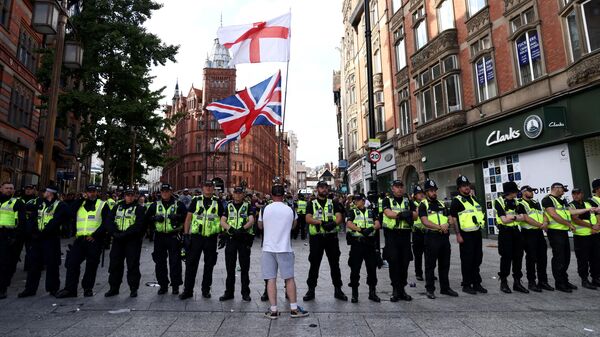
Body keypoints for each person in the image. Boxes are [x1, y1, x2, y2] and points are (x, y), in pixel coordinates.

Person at [260, 183, 308, 319]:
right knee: (289, 278)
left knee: (270, 279)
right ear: (283, 195)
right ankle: (294, 309)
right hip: (285, 248)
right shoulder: (290, 209)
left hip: (268, 248)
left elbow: (260, 225)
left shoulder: (264, 209)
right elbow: (294, 225)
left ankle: (273, 310)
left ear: (272, 194)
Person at [56, 185, 111, 298]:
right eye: (89, 192)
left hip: (94, 240)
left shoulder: (102, 205)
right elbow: (70, 212)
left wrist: (95, 235)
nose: (92, 194)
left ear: (97, 192)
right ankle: (70, 289)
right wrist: (81, 199)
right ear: (85, 192)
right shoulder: (80, 204)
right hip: (80, 239)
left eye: (94, 191)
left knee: (91, 265)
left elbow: (107, 223)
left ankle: (87, 288)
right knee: (72, 263)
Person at [542, 182, 594, 292]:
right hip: (555, 232)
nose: (563, 192)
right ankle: (559, 283)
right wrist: (569, 224)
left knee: (566, 258)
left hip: (563, 232)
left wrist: (588, 209)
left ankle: (565, 280)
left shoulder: (561, 200)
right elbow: (553, 215)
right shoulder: (547, 199)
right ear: (556, 188)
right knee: (559, 258)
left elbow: (571, 211)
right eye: (562, 190)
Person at [18, 185, 66, 298]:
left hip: (51, 239)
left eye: (45, 191)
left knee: (52, 264)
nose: (43, 193)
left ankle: (53, 288)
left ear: (51, 193)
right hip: (37, 239)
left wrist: (43, 233)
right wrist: (32, 232)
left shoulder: (60, 205)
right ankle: (30, 289)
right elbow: (33, 218)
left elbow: (56, 221)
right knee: (33, 264)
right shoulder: (40, 203)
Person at [303, 181, 347, 302]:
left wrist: (333, 224)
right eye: (321, 187)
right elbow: (308, 218)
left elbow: (339, 217)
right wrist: (321, 223)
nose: (324, 190)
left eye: (326, 187)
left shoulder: (334, 202)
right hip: (317, 238)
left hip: (331, 237)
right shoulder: (311, 203)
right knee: (314, 264)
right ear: (317, 189)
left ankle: (338, 289)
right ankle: (311, 290)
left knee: (335, 264)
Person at [180, 181, 224, 300]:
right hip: (196, 238)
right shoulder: (196, 200)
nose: (208, 188)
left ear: (213, 188)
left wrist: (223, 235)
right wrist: (186, 235)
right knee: (191, 264)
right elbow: (188, 218)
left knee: (209, 265)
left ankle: (206, 290)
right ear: (203, 188)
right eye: (206, 186)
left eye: (210, 186)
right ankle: (188, 290)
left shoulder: (217, 202)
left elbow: (222, 220)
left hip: (211, 238)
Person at [418, 179, 458, 299]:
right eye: (431, 191)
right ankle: (430, 289)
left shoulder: (442, 204)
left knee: (445, 264)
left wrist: (448, 224)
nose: (434, 192)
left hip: (444, 237)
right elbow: (425, 221)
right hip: (432, 237)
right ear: (426, 193)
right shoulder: (423, 205)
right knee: (430, 265)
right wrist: (439, 227)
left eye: (435, 190)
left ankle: (445, 288)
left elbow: (450, 218)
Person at [145, 183, 187, 295]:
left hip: (174, 236)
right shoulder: (155, 204)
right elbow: (146, 218)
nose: (165, 193)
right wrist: (154, 218)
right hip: (159, 236)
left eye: (167, 191)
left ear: (171, 192)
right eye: (163, 191)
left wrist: (177, 217)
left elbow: (186, 217)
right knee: (159, 262)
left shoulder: (179, 204)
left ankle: (175, 285)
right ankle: (163, 285)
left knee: (175, 262)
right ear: (160, 192)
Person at [104, 188, 146, 298]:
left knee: (132, 264)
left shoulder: (139, 208)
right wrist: (114, 232)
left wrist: (125, 234)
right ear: (124, 196)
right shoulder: (117, 206)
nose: (130, 197)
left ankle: (133, 288)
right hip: (118, 239)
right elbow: (109, 220)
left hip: (132, 240)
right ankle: (114, 288)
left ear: (135, 196)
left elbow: (139, 224)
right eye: (128, 195)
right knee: (115, 264)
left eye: (132, 195)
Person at [449, 175, 487, 295]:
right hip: (465, 235)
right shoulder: (456, 201)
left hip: (476, 233)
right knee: (467, 260)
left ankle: (476, 283)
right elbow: (454, 219)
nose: (467, 188)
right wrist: (458, 235)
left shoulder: (474, 199)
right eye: (464, 186)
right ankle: (466, 284)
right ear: (459, 188)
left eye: (468, 185)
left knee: (477, 258)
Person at [381, 180, 415, 302]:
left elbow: (415, 214)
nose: (399, 189)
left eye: (401, 186)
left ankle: (402, 289)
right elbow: (388, 213)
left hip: (405, 236)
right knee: (394, 262)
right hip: (392, 236)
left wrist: (409, 213)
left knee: (404, 262)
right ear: (392, 188)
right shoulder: (387, 200)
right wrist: (402, 215)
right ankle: (395, 289)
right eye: (397, 187)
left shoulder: (408, 201)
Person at [219, 186, 255, 302]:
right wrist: (231, 229)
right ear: (233, 194)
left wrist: (242, 229)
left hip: (243, 239)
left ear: (243, 195)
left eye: (240, 193)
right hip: (231, 239)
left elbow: (251, 220)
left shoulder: (248, 206)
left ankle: (245, 293)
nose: (238, 195)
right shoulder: (228, 206)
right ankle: (229, 293)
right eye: (236, 193)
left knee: (244, 268)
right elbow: (222, 221)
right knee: (230, 268)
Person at [516, 185, 553, 292]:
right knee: (531, 258)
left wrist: (545, 222)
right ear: (523, 192)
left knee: (542, 258)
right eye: (530, 191)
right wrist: (540, 225)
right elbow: (526, 218)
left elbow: (544, 214)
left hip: (539, 233)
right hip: (528, 233)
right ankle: (531, 282)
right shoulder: (520, 203)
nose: (532, 192)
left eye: (533, 191)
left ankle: (543, 281)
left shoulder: (536, 202)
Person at [345, 193, 381, 303]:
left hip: (369, 244)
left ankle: (372, 292)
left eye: (358, 200)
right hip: (357, 244)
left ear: (363, 201)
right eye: (355, 200)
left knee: (372, 269)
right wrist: (360, 230)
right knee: (355, 269)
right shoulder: (352, 211)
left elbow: (378, 224)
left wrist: (371, 228)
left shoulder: (371, 211)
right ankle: (354, 294)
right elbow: (349, 224)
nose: (356, 202)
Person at [494, 181, 528, 294]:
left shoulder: (518, 202)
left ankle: (517, 282)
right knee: (506, 257)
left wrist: (511, 217)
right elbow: (503, 220)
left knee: (518, 256)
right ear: (510, 192)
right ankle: (503, 282)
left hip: (516, 232)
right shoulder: (498, 201)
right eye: (515, 191)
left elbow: (523, 217)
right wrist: (516, 217)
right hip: (505, 233)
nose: (517, 193)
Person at [0, 182, 27, 299]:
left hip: (9, 235)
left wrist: (15, 237)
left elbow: (22, 223)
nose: (9, 190)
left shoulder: (18, 203)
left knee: (5, 264)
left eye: (11, 188)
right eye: (6, 188)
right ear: (1, 189)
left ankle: (2, 288)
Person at [569, 188, 599, 290]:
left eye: (578, 193)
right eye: (574, 194)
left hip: (593, 234)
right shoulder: (571, 205)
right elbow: (576, 220)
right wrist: (591, 226)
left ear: (582, 194)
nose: (576, 196)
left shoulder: (588, 204)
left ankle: (595, 278)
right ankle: (584, 280)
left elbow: (596, 215)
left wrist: (597, 226)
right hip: (581, 236)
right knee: (583, 259)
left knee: (595, 257)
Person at [412, 185, 426, 281]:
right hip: (417, 232)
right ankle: (418, 273)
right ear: (415, 196)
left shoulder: (426, 204)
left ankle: (430, 273)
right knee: (418, 255)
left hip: (427, 232)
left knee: (429, 254)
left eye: (422, 193)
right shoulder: (412, 204)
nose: (421, 195)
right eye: (418, 194)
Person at [588, 178, 600, 287]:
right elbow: (597, 216)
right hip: (597, 232)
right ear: (597, 189)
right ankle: (596, 277)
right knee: (596, 256)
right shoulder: (592, 201)